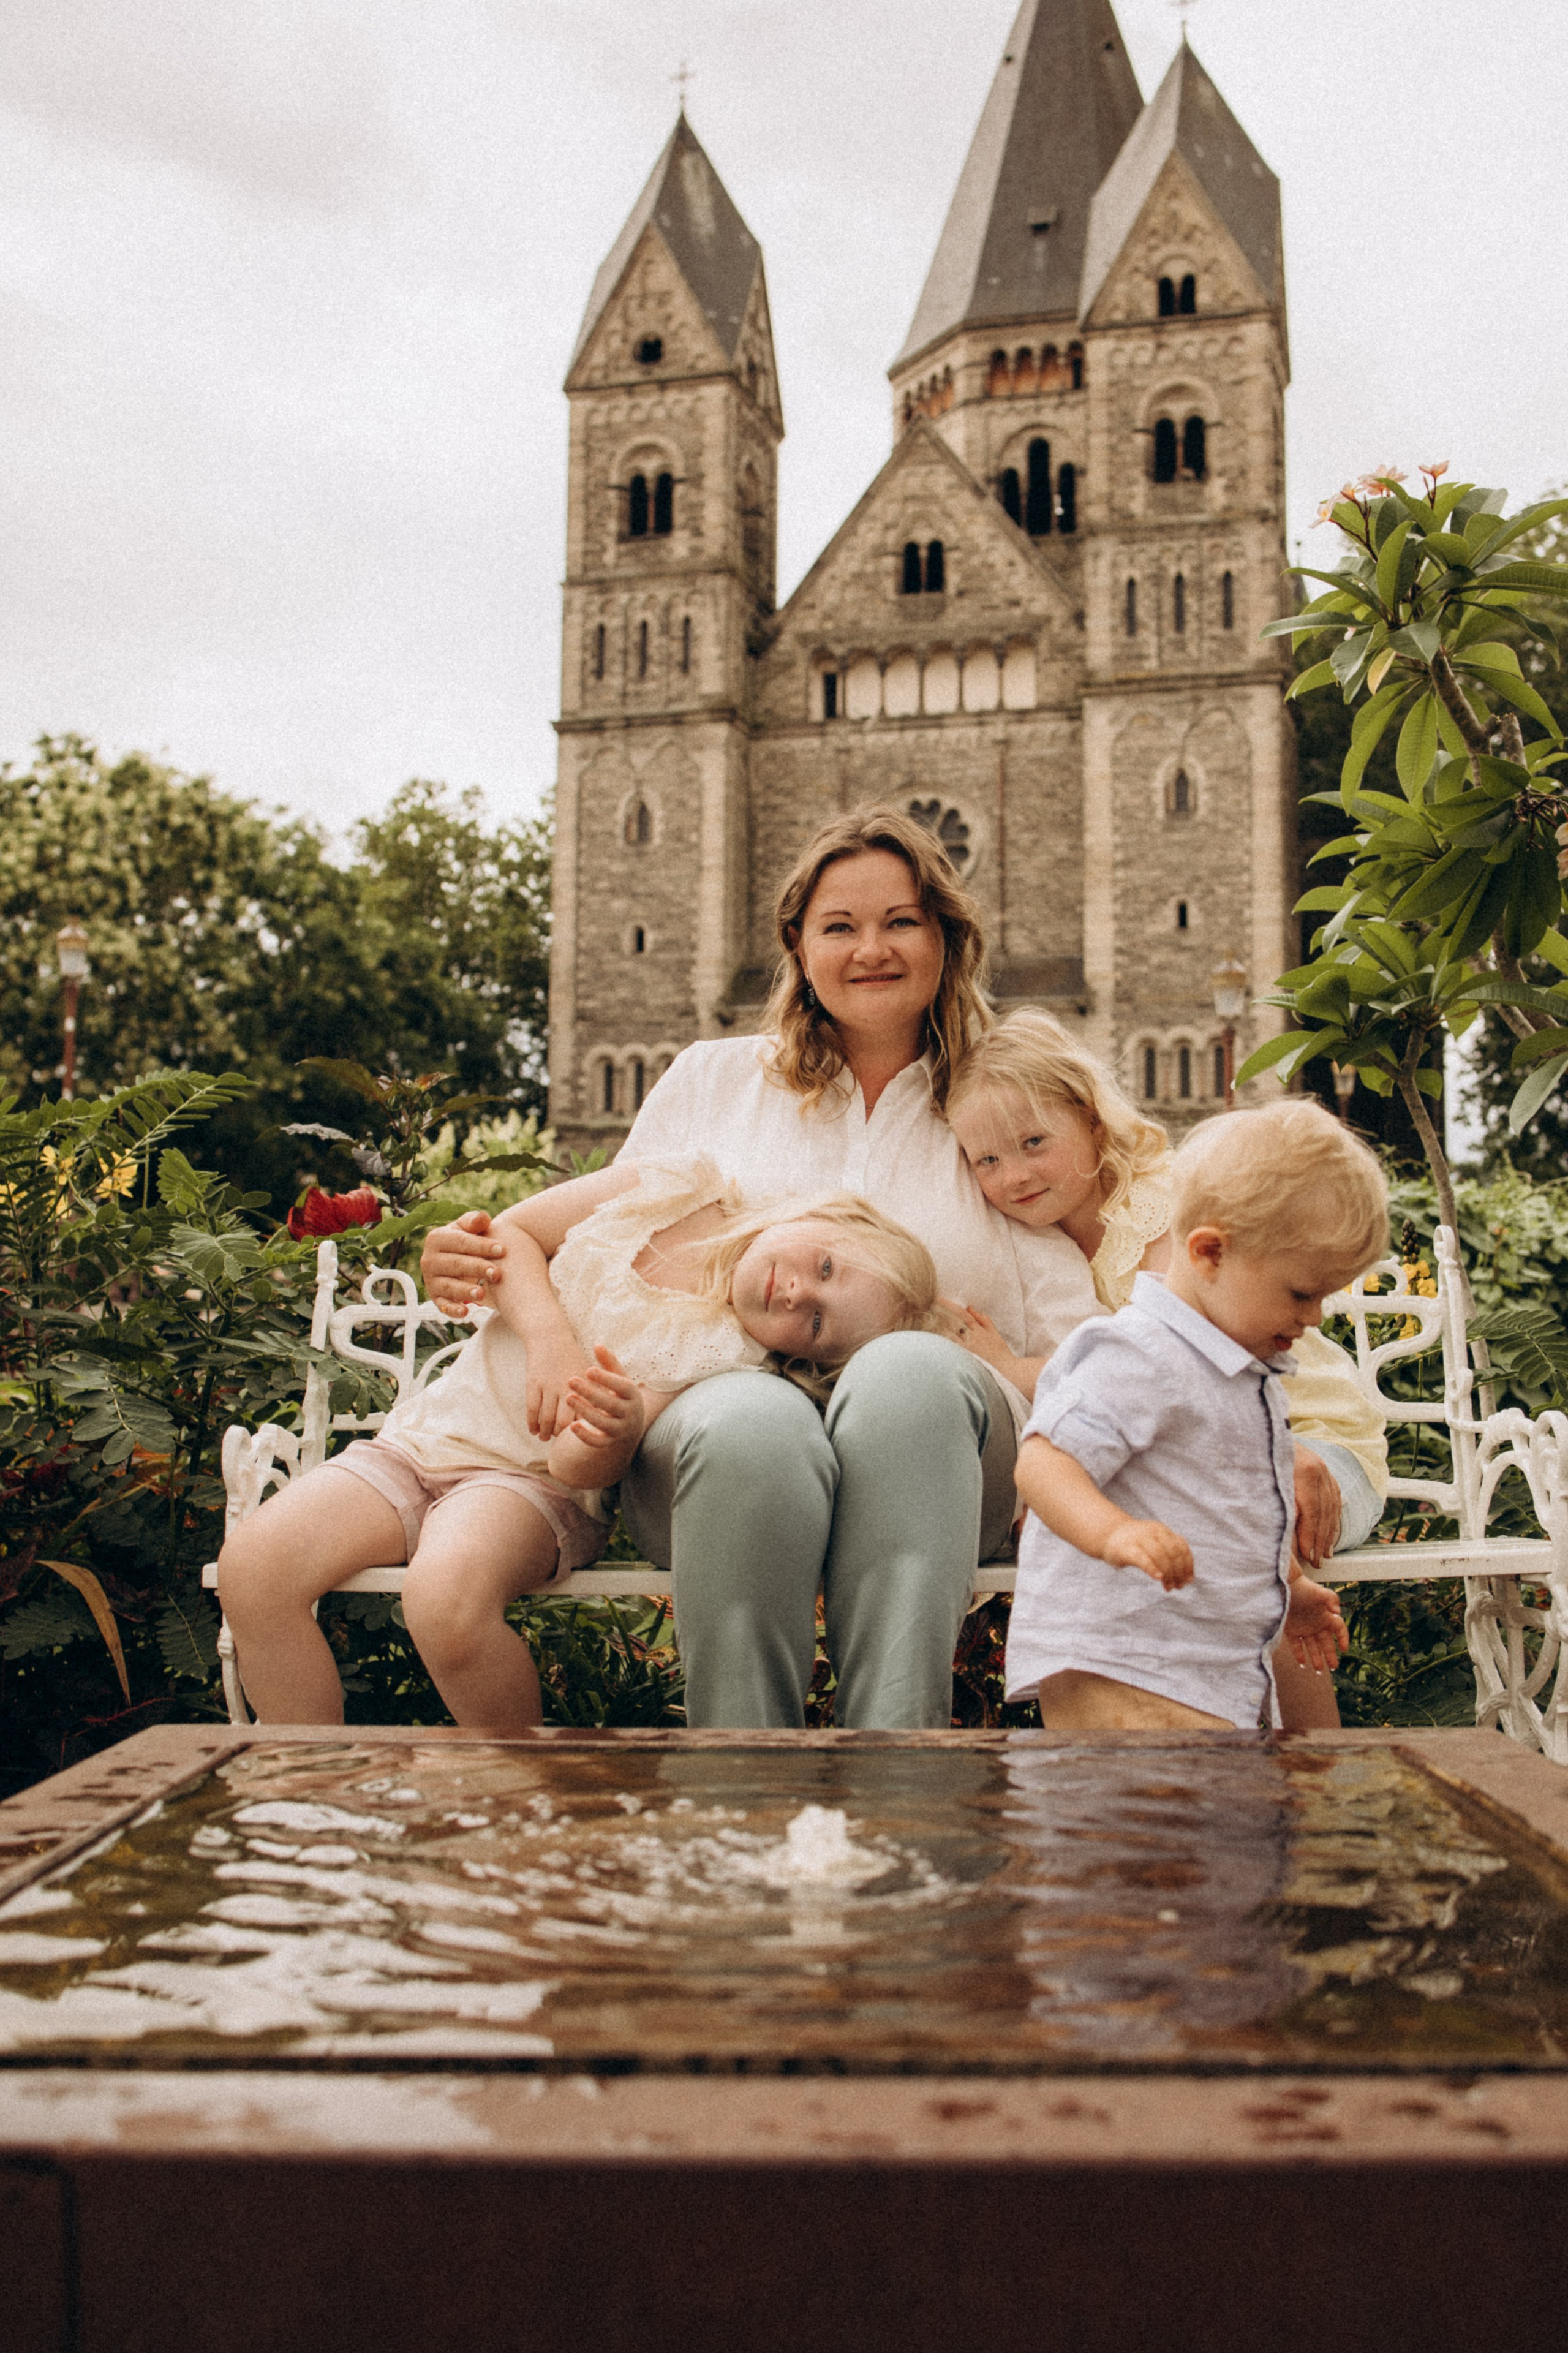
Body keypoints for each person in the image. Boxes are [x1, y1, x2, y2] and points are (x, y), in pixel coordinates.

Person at [420, 805, 1101, 1730]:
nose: (873, 949)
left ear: (947, 935)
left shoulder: (998, 1092)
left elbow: (1110, 1255)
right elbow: (601, 1255)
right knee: (749, 1417)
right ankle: (745, 1786)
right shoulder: (713, 1079)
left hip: (946, 1452)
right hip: (709, 1458)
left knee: (910, 1369)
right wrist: (476, 1253)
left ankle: (898, 1770)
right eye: (840, 927)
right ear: (797, 944)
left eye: (902, 921)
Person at [219, 1153, 947, 1730]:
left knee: (443, 1600)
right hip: (419, 1443)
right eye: (823, 1266)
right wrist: (548, 1339)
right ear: (822, 1215)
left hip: (531, 1487)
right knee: (254, 1568)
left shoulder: (729, 1355)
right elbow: (506, 1235)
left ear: (806, 1359)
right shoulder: (675, 1185)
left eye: (816, 1322)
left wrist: (613, 1430)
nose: (796, 1295)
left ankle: (520, 1789)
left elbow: (578, 1464)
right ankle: (306, 1782)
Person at [942, 1009, 1389, 1729]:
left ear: (1091, 1122)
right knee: (1147, 1537)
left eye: (1033, 1143)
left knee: (1222, 1540)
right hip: (1200, 1455)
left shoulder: (1158, 1208)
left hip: (1311, 1441)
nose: (1014, 1175)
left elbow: (1180, 1352)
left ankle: (1302, 1766)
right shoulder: (1039, 1249)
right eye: (985, 1160)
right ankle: (1182, 1745)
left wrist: (1012, 1367)